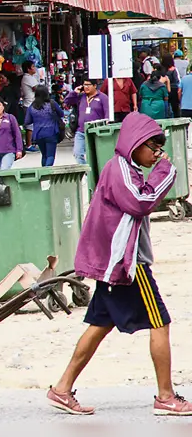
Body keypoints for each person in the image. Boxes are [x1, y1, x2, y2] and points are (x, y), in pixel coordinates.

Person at [47, 113, 192, 416]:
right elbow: (142, 200)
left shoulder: (127, 169)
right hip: (127, 265)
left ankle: (62, 389)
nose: (157, 153)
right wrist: (166, 170)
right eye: (152, 147)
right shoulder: (121, 170)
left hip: (115, 265)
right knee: (160, 323)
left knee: (99, 325)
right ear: (135, 144)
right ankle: (165, 396)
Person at [63, 77, 109, 165]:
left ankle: (93, 174)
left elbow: (107, 112)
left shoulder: (103, 97)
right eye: (85, 85)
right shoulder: (81, 97)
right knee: (78, 153)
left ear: (95, 86)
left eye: (88, 85)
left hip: (96, 131)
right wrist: (74, 92)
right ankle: (87, 173)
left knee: (95, 156)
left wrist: (106, 123)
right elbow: (67, 102)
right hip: (81, 131)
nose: (86, 87)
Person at [25, 86, 65, 167]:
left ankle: (43, 173)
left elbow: (27, 121)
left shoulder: (32, 106)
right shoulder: (52, 103)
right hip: (52, 132)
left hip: (38, 134)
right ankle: (47, 171)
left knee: (44, 155)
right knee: (50, 155)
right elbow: (61, 114)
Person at [21, 61, 40, 151]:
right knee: (30, 126)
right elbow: (37, 89)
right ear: (28, 69)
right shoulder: (28, 78)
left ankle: (32, 142)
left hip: (31, 103)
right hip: (29, 104)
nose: (34, 68)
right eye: (33, 66)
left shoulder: (30, 77)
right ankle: (29, 145)